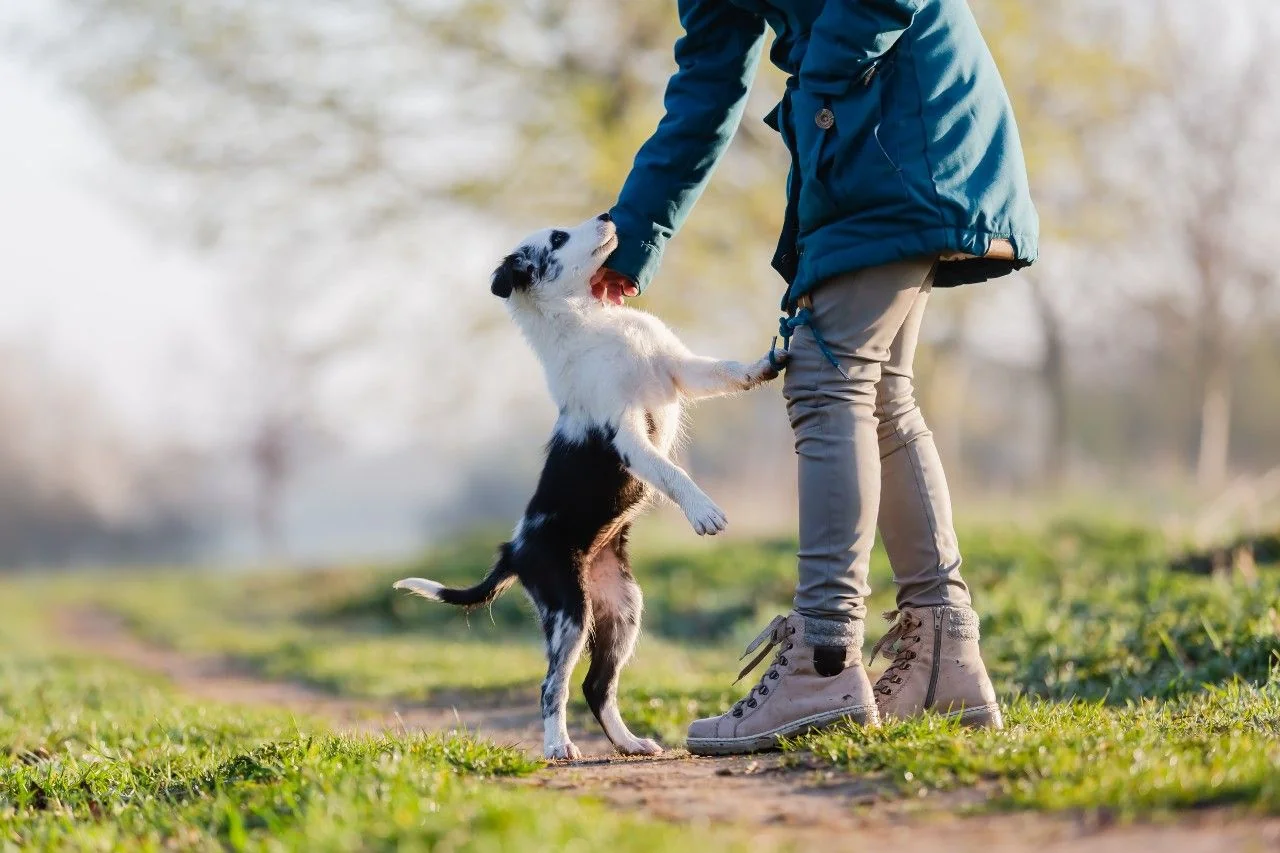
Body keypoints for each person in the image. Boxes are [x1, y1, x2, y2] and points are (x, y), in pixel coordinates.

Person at [592, 0, 1038, 755]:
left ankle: (825, 661)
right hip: (872, 131)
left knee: (827, 381)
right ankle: (943, 660)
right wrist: (630, 234)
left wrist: (823, 86)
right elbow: (707, 83)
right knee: (877, 396)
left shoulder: (843, 87)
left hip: (902, 118)